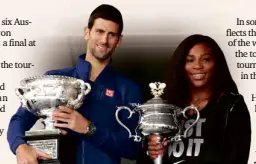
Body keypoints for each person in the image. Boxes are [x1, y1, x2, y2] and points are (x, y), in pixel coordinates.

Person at [7, 4, 142, 164]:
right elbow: (19, 119)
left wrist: (89, 129)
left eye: (111, 34)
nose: (104, 40)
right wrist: (20, 147)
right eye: (99, 31)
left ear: (119, 41)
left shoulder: (128, 89)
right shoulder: (55, 79)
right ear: (87, 32)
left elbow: (134, 148)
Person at [145, 34, 251, 164]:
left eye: (205, 59)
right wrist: (156, 155)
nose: (197, 66)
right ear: (181, 65)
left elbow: (237, 159)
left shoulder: (231, 106)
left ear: (216, 63)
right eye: (190, 60)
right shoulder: (166, 108)